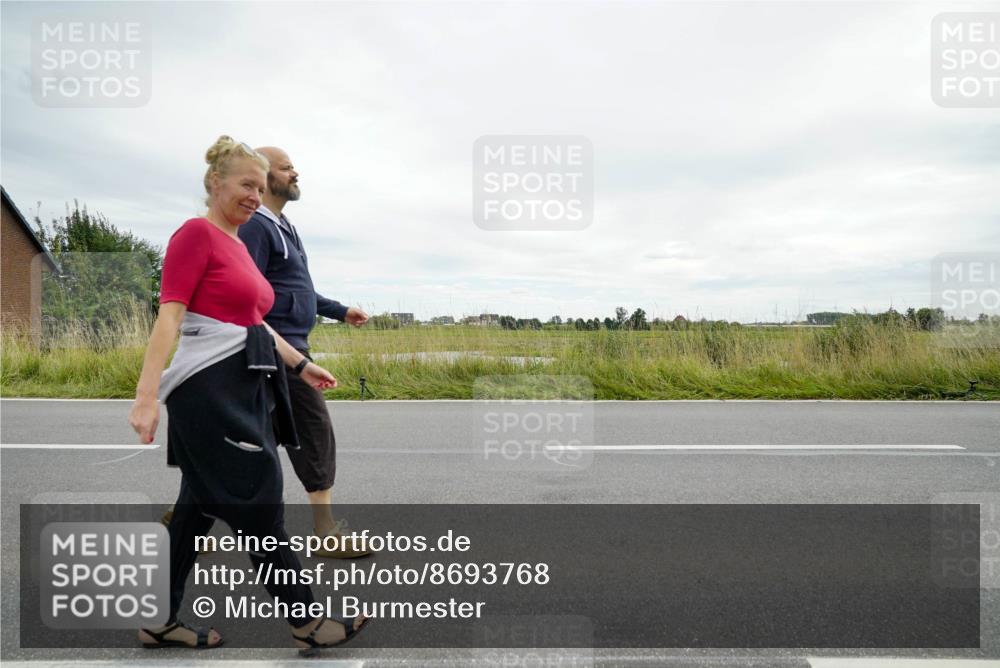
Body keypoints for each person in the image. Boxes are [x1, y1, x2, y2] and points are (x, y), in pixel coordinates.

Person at [128, 136, 368, 650]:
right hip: (209, 388)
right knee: (260, 498)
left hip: (245, 381)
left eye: (261, 187)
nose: (255, 196)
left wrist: (302, 365)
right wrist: (147, 396)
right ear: (214, 183)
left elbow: (254, 320)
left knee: (196, 508)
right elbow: (169, 316)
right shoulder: (195, 235)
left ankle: (158, 619)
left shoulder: (238, 244)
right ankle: (307, 623)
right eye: (245, 184)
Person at [237, 145, 370, 558]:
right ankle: (325, 532)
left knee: (249, 442)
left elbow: (299, 288)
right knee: (314, 434)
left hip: (288, 347)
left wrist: (338, 310)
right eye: (287, 167)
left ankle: (189, 519)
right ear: (263, 175)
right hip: (277, 350)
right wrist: (288, 356)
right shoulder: (257, 227)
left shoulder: (284, 226)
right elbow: (247, 291)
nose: (296, 173)